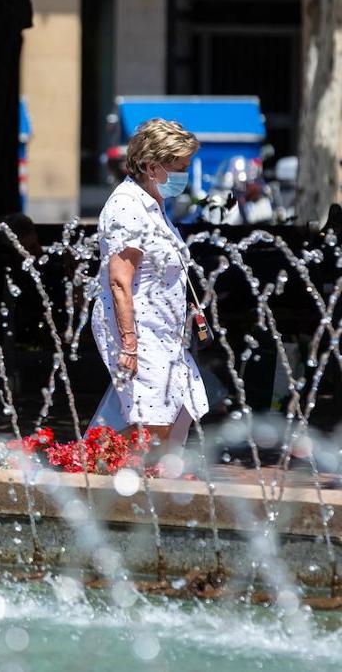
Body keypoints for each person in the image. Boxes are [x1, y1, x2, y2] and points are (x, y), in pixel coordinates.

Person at [90, 118, 209, 456]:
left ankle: (94, 467)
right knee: (155, 417)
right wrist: (129, 344)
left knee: (182, 405)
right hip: (136, 330)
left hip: (163, 330)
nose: (184, 175)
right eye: (180, 167)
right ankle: (108, 478)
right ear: (151, 165)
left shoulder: (153, 203)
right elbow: (119, 281)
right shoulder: (127, 206)